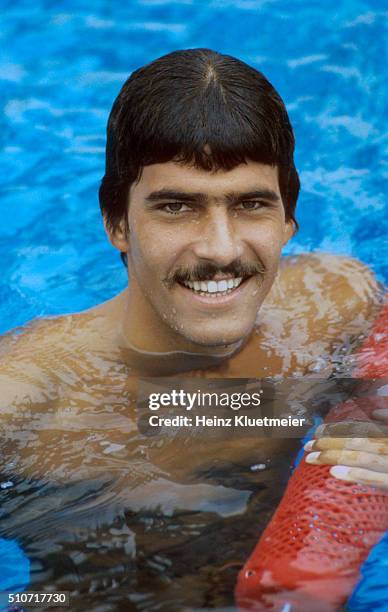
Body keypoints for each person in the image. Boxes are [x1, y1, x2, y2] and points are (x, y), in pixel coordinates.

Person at [0, 48, 387, 492]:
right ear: (116, 223)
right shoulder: (23, 405)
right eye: (176, 207)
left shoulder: (337, 306)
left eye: (251, 204)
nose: (220, 249)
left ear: (288, 220)